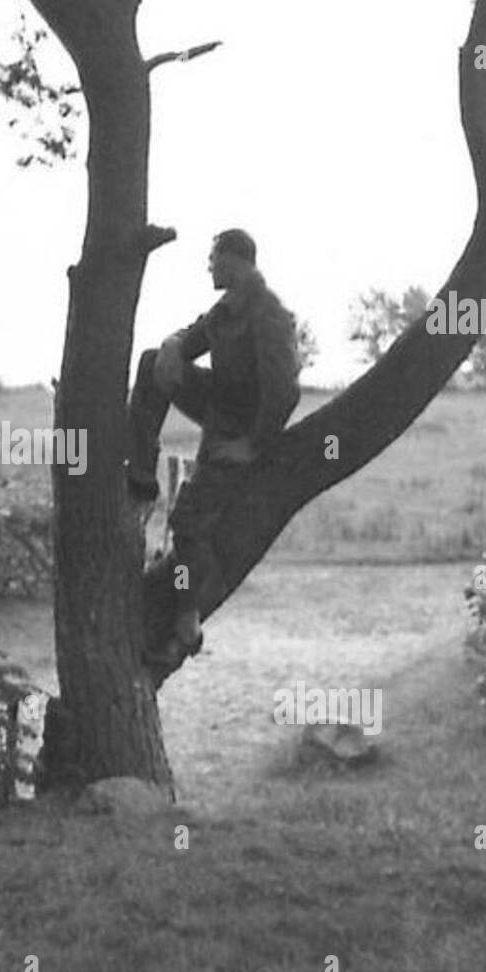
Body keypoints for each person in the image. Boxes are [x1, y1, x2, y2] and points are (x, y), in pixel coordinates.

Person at [127, 228, 301, 666]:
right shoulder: (224, 311)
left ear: (235, 260)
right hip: (219, 408)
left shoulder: (269, 313)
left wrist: (252, 446)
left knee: (188, 524)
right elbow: (192, 337)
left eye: (213, 258)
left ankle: (188, 614)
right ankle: (139, 470)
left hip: (243, 429)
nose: (208, 266)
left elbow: (285, 392)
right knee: (153, 363)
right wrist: (172, 345)